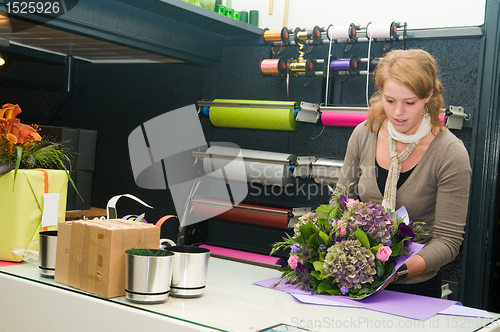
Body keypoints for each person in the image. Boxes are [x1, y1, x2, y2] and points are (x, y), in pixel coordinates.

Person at [335, 48, 472, 298]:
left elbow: (448, 242)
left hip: (415, 288)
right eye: (390, 101)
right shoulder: (364, 134)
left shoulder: (450, 153)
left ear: (428, 96)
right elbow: (339, 204)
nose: (398, 112)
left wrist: (395, 272)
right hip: (355, 280)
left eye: (409, 103)